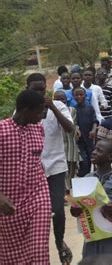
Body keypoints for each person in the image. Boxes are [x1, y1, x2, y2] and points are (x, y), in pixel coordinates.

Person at [26, 73, 75, 264]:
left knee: (58, 209)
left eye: (42, 89)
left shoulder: (59, 106)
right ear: (27, 88)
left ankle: (60, 241)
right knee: (37, 212)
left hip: (56, 165)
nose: (39, 93)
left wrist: (53, 107)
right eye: (35, 90)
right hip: (33, 167)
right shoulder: (23, 109)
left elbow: (70, 129)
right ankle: (35, 248)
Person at [0, 90, 51, 264]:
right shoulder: (2, 131)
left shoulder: (39, 129)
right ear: (25, 111)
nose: (42, 115)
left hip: (37, 196)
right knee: (9, 256)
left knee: (39, 248)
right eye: (39, 111)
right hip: (8, 202)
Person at [70, 139, 112, 258]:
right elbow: (78, 208)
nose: (94, 152)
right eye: (94, 149)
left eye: (99, 150)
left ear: (110, 156)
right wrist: (75, 210)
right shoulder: (87, 179)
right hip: (93, 235)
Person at [73, 87, 99, 177]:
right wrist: (76, 128)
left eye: (81, 95)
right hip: (80, 141)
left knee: (92, 159)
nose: (79, 97)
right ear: (73, 97)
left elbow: (95, 121)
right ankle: (84, 179)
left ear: (85, 96)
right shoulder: (74, 109)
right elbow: (73, 122)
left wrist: (93, 129)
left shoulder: (90, 108)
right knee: (83, 161)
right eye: (76, 95)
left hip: (89, 138)